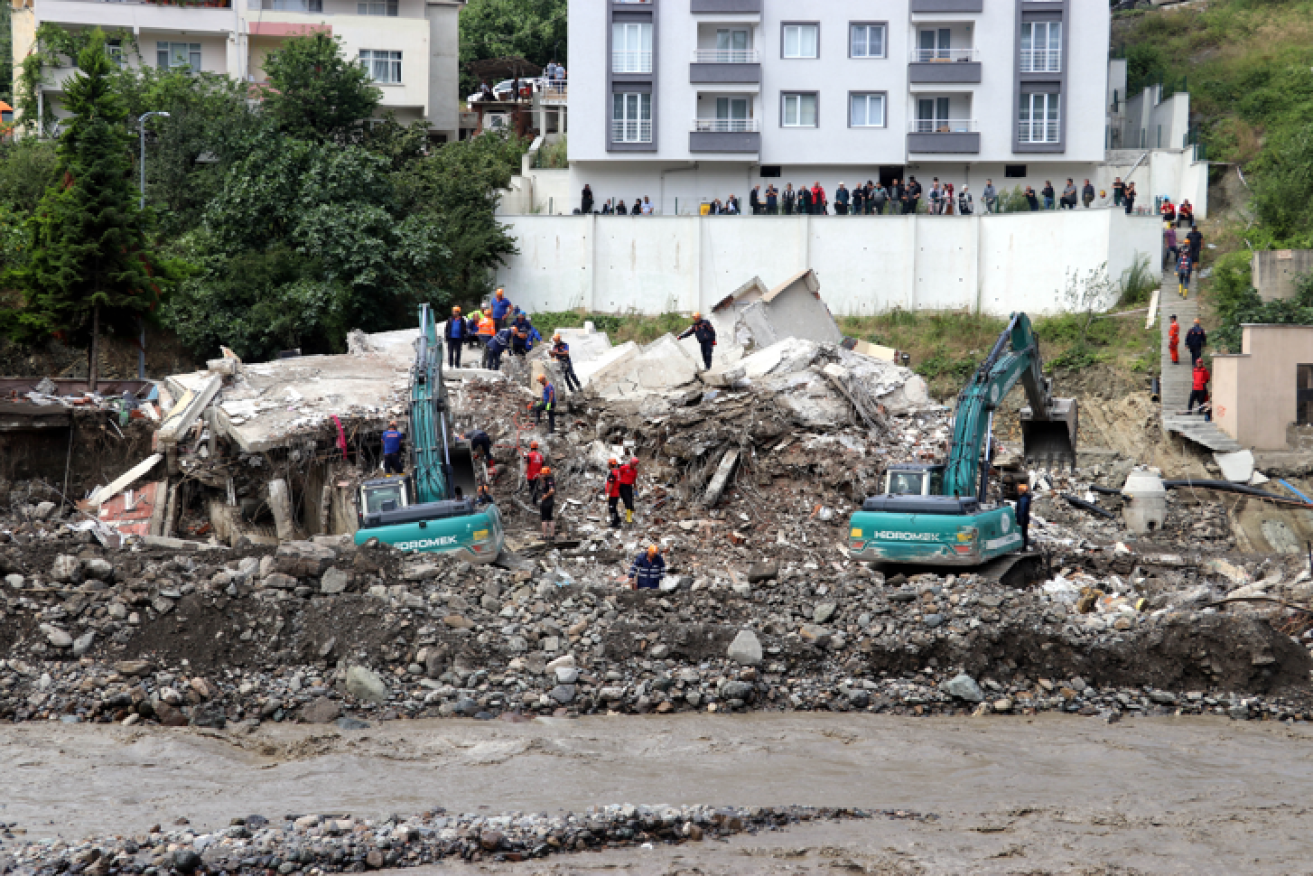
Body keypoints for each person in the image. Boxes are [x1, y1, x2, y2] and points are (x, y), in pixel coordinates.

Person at [538, 466, 557, 541]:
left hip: (546, 501)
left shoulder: (549, 480)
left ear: (546, 474)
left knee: (544, 519)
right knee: (550, 518)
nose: (542, 474)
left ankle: (545, 536)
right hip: (550, 501)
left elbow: (552, 490)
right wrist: (541, 480)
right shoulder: (547, 479)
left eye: (543, 474)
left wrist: (545, 496)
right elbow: (545, 485)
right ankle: (552, 536)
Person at [602, 457, 622, 528]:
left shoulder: (612, 473)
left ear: (610, 465)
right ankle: (618, 520)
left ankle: (615, 523)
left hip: (612, 494)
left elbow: (611, 484)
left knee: (612, 508)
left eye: (608, 464)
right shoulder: (617, 472)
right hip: (616, 493)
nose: (607, 465)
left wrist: (608, 493)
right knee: (613, 508)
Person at [618, 457, 639, 524]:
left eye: (633, 464)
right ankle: (628, 517)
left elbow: (634, 479)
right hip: (622, 486)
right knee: (627, 500)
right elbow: (618, 475)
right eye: (631, 463)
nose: (631, 465)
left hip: (629, 486)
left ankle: (629, 513)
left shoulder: (635, 471)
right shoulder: (623, 468)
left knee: (631, 500)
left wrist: (635, 488)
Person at [1015, 482, 1032, 552]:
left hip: (1023, 518)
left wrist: (1019, 519)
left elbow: (1022, 510)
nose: (1019, 492)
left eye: (1019, 490)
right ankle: (1023, 547)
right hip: (1024, 518)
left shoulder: (1023, 499)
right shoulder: (1025, 498)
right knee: (1024, 533)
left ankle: (1022, 547)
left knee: (1022, 533)